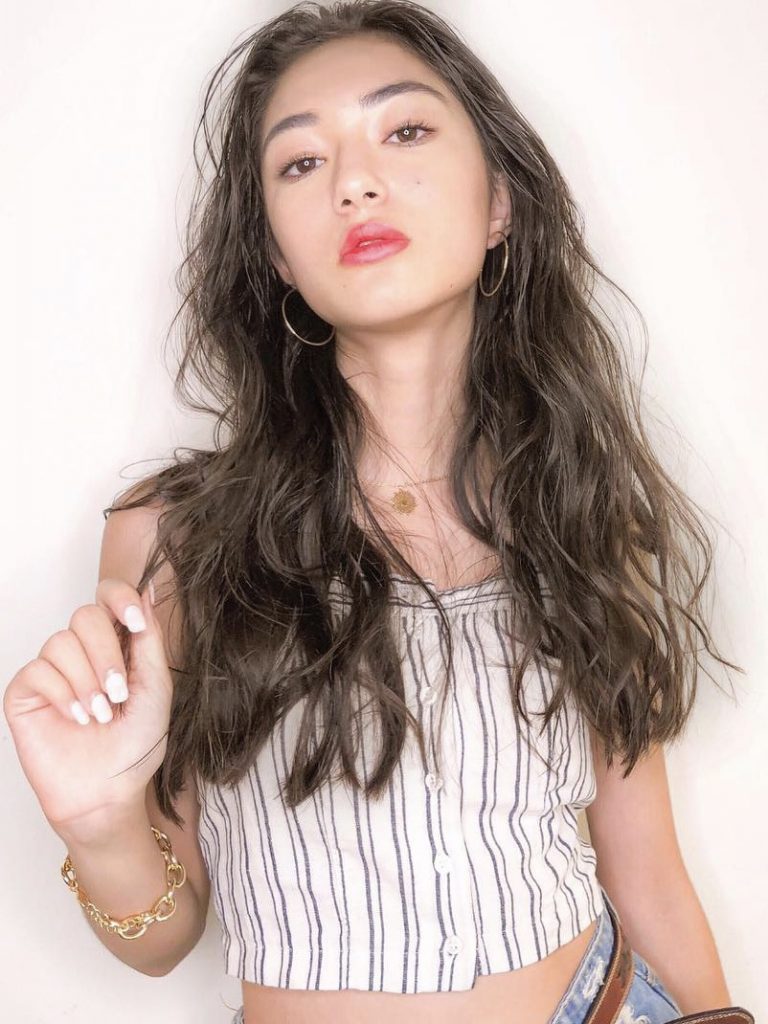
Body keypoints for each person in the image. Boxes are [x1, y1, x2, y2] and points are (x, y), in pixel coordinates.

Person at [3, 2, 749, 1022]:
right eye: (301, 162)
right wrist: (100, 825)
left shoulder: (582, 509)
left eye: (405, 130)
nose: (354, 181)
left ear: (500, 202)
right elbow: (159, 942)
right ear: (276, 254)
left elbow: (645, 866)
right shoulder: (173, 539)